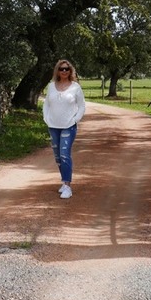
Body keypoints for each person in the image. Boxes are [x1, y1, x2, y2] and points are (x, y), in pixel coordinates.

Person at [42, 59, 86, 199]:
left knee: (64, 154)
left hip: (68, 126)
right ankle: (64, 180)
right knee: (58, 157)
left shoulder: (75, 87)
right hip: (53, 126)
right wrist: (46, 118)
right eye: (62, 69)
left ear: (71, 71)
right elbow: (46, 104)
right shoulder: (51, 86)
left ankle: (67, 186)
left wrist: (75, 119)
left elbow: (82, 106)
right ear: (57, 71)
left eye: (67, 69)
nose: (64, 71)